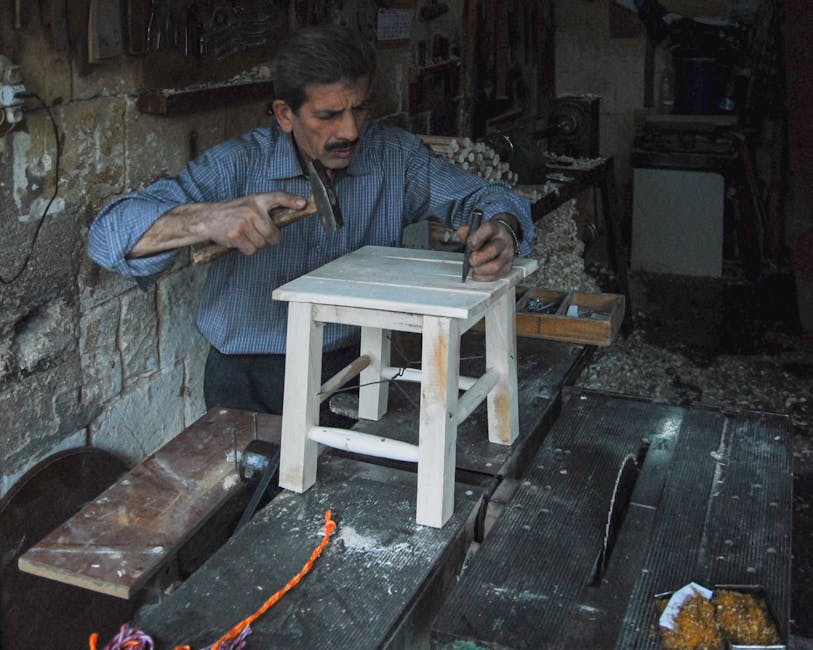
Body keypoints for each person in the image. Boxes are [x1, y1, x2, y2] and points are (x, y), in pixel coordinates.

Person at [88, 23, 534, 415]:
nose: (351, 132)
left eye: (359, 109)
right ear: (285, 114)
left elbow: (489, 195)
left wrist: (503, 230)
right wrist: (205, 219)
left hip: (359, 364)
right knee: (254, 504)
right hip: (251, 377)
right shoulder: (235, 167)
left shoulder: (394, 157)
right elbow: (109, 235)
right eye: (328, 116)